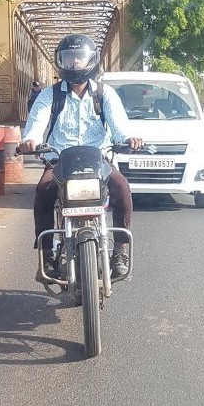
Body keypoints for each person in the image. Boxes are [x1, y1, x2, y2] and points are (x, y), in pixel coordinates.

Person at [18, 34, 143, 280]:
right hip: (59, 161)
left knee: (122, 188)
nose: (75, 63)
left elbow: (119, 126)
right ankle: (47, 256)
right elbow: (36, 123)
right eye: (69, 58)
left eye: (80, 58)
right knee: (43, 191)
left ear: (91, 61)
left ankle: (119, 250)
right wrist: (29, 141)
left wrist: (129, 138)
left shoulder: (104, 95)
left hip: (99, 161)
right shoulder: (49, 96)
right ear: (60, 62)